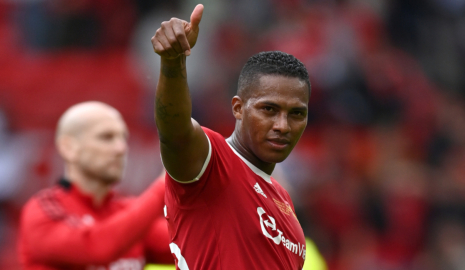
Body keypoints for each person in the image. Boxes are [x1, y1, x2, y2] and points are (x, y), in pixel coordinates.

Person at [151, 4, 311, 270]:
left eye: (296, 113)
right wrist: (172, 63)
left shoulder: (283, 199)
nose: (283, 125)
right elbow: (174, 132)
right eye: (268, 109)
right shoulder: (212, 163)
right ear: (238, 108)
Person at [18, 101, 174, 270]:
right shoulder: (43, 209)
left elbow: (190, 247)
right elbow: (96, 248)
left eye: (124, 138)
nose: (121, 148)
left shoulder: (127, 212)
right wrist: (163, 186)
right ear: (69, 147)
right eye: (106, 137)